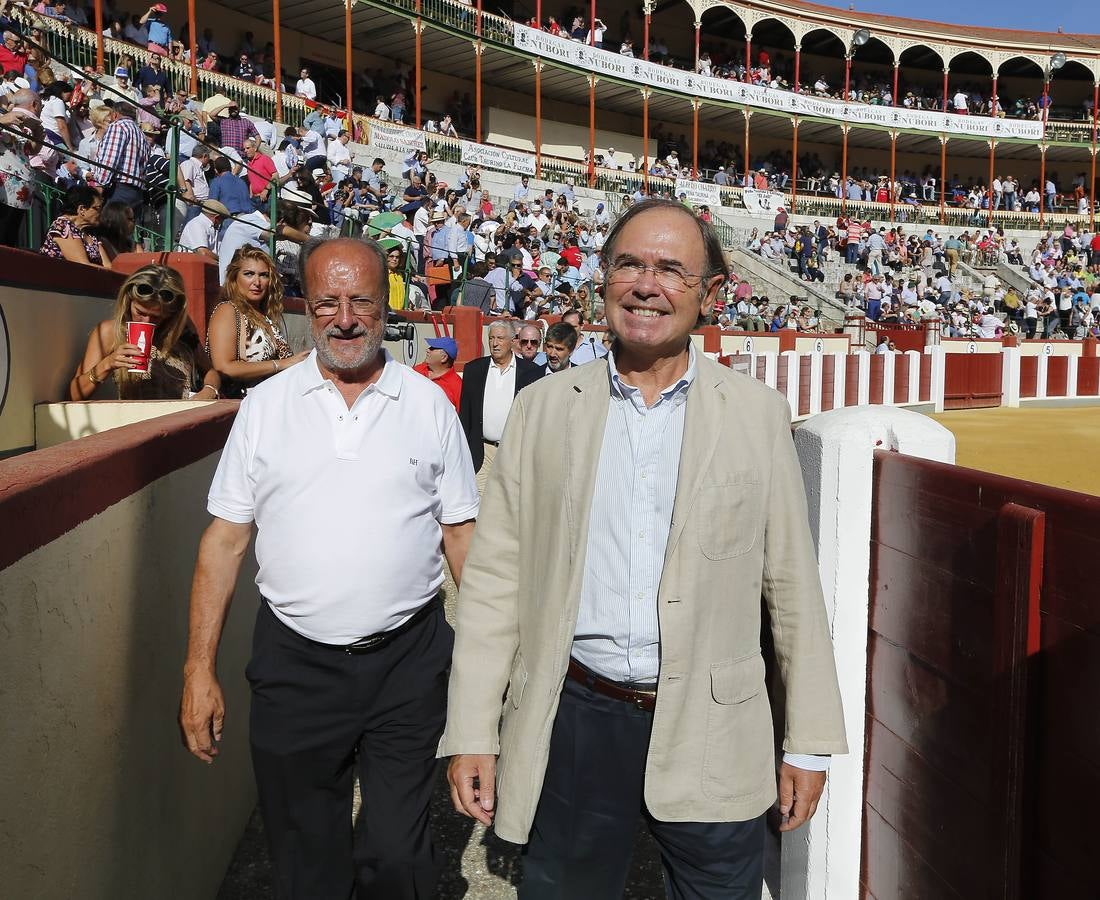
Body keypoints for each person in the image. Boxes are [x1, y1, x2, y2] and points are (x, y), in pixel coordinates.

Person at [441, 199, 847, 900]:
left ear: (708, 293)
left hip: (715, 723)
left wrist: (807, 740)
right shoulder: (543, 409)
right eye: (629, 263)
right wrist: (472, 729)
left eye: (670, 269)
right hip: (575, 715)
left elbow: (790, 585)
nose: (646, 284)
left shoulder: (755, 414)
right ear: (603, 280)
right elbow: (494, 584)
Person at [181, 235, 478, 898]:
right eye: (326, 302)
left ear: (385, 306)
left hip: (408, 660)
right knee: (306, 866)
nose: (345, 317)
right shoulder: (265, 409)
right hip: (296, 665)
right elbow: (224, 543)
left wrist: (487, 681)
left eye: (361, 301)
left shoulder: (429, 405)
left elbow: (462, 538)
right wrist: (198, 669)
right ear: (305, 309)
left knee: (400, 861)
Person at [69, 264, 219, 400]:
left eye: (156, 316)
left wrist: (210, 389)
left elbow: (210, 371)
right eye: (140, 312)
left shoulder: (179, 330)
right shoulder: (111, 332)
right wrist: (107, 364)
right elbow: (73, 395)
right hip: (136, 423)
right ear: (128, 301)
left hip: (178, 419)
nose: (146, 321)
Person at [206, 245, 309, 398]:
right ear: (234, 278)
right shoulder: (227, 310)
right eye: (249, 274)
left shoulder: (264, 315)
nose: (257, 282)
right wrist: (280, 364)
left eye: (264, 275)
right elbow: (223, 367)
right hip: (242, 405)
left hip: (272, 402)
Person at [457, 319, 542, 491]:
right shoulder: (474, 369)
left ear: (512, 341)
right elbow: (466, 414)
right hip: (481, 452)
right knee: (478, 507)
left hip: (513, 453)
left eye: (500, 338)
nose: (495, 344)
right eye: (491, 338)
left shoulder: (531, 372)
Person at [39, 184, 106, 267]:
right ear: (82, 209)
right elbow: (83, 265)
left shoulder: (90, 233)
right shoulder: (62, 226)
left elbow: (107, 266)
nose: (101, 212)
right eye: (98, 208)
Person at [413, 335, 463, 411]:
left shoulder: (457, 386)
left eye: (432, 348)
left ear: (444, 358)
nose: (427, 350)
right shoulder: (418, 369)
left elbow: (461, 416)